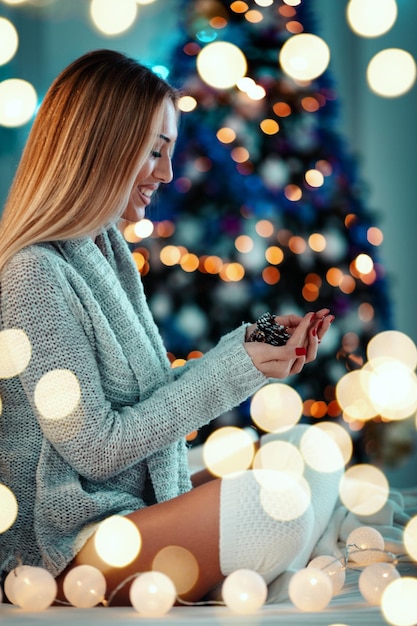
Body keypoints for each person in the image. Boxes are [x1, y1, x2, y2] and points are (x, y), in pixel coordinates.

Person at [0, 49, 337, 607]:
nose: (167, 173)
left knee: (310, 449)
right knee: (275, 504)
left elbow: (149, 399)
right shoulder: (33, 274)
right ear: (101, 143)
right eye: (155, 151)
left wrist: (247, 350)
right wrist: (235, 370)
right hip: (65, 545)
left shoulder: (102, 249)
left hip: (129, 510)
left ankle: (268, 551)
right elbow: (97, 447)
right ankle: (284, 549)